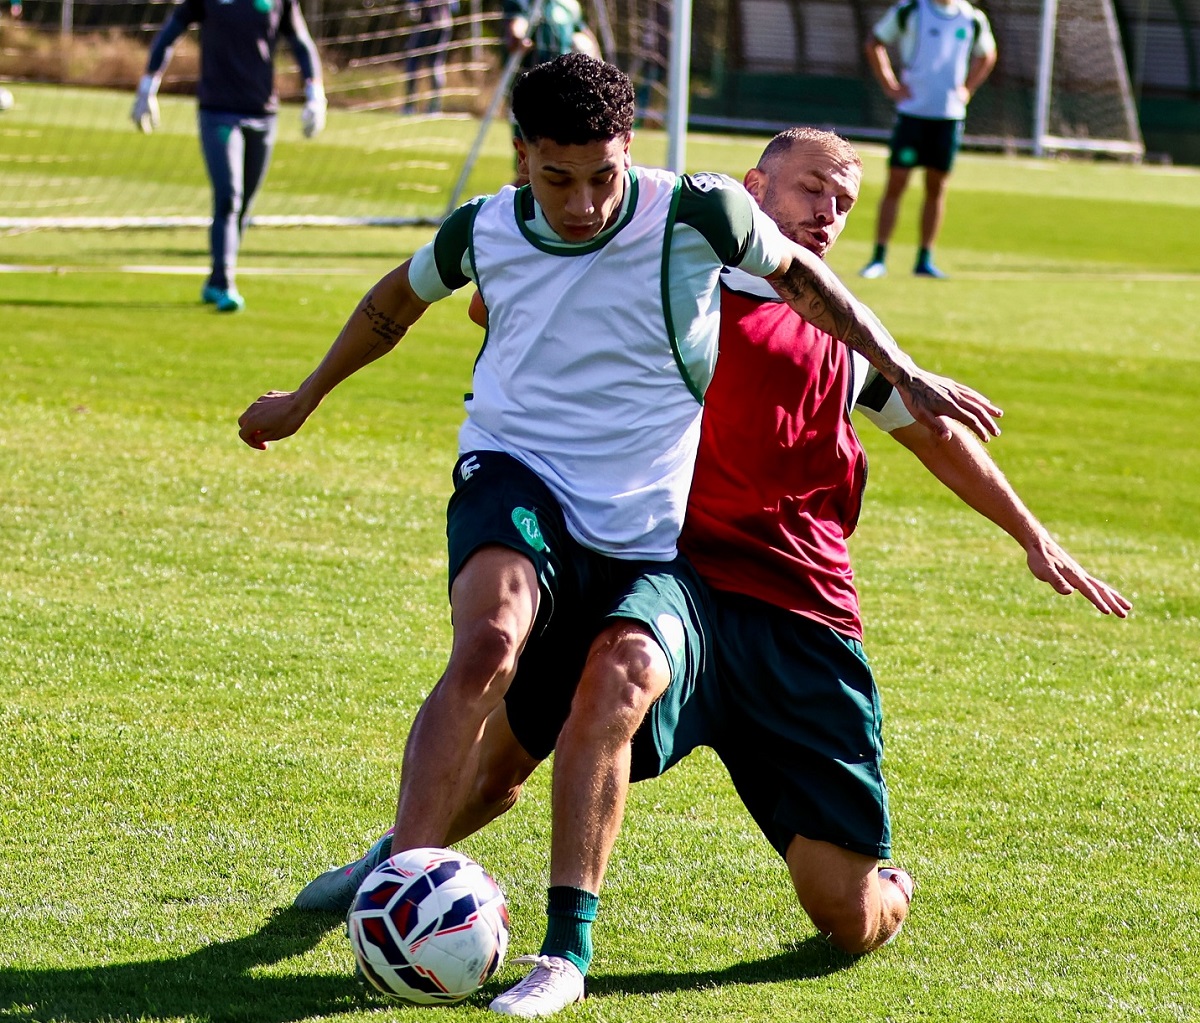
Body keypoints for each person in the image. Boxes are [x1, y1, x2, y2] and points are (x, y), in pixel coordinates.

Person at [245, 52, 999, 937]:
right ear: (522, 155)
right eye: (555, 178)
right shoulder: (485, 227)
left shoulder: (698, 217)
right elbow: (394, 304)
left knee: (838, 907)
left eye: (601, 177)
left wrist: (908, 374)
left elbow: (812, 289)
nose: (580, 203)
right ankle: (404, 890)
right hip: (523, 478)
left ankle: (880, 888)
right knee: (492, 642)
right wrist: (304, 397)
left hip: (650, 543)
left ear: (629, 150)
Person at [131, 0, 327, 313]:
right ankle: (225, 284)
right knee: (229, 197)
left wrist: (316, 94)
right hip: (218, 112)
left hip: (263, 114)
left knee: (244, 203)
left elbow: (301, 42)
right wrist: (147, 86)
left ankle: (215, 279)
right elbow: (170, 32)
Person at [859, 0, 997, 280]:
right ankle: (878, 257)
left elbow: (988, 54)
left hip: (948, 118)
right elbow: (875, 42)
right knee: (896, 183)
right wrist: (889, 83)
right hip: (913, 115)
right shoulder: (910, 11)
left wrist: (967, 89)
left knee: (936, 186)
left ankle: (924, 259)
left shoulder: (971, 19)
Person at [403, 0, 456, 115]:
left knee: (427, 62)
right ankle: (419, 106)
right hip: (442, 23)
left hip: (433, 23)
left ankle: (426, 106)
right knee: (431, 63)